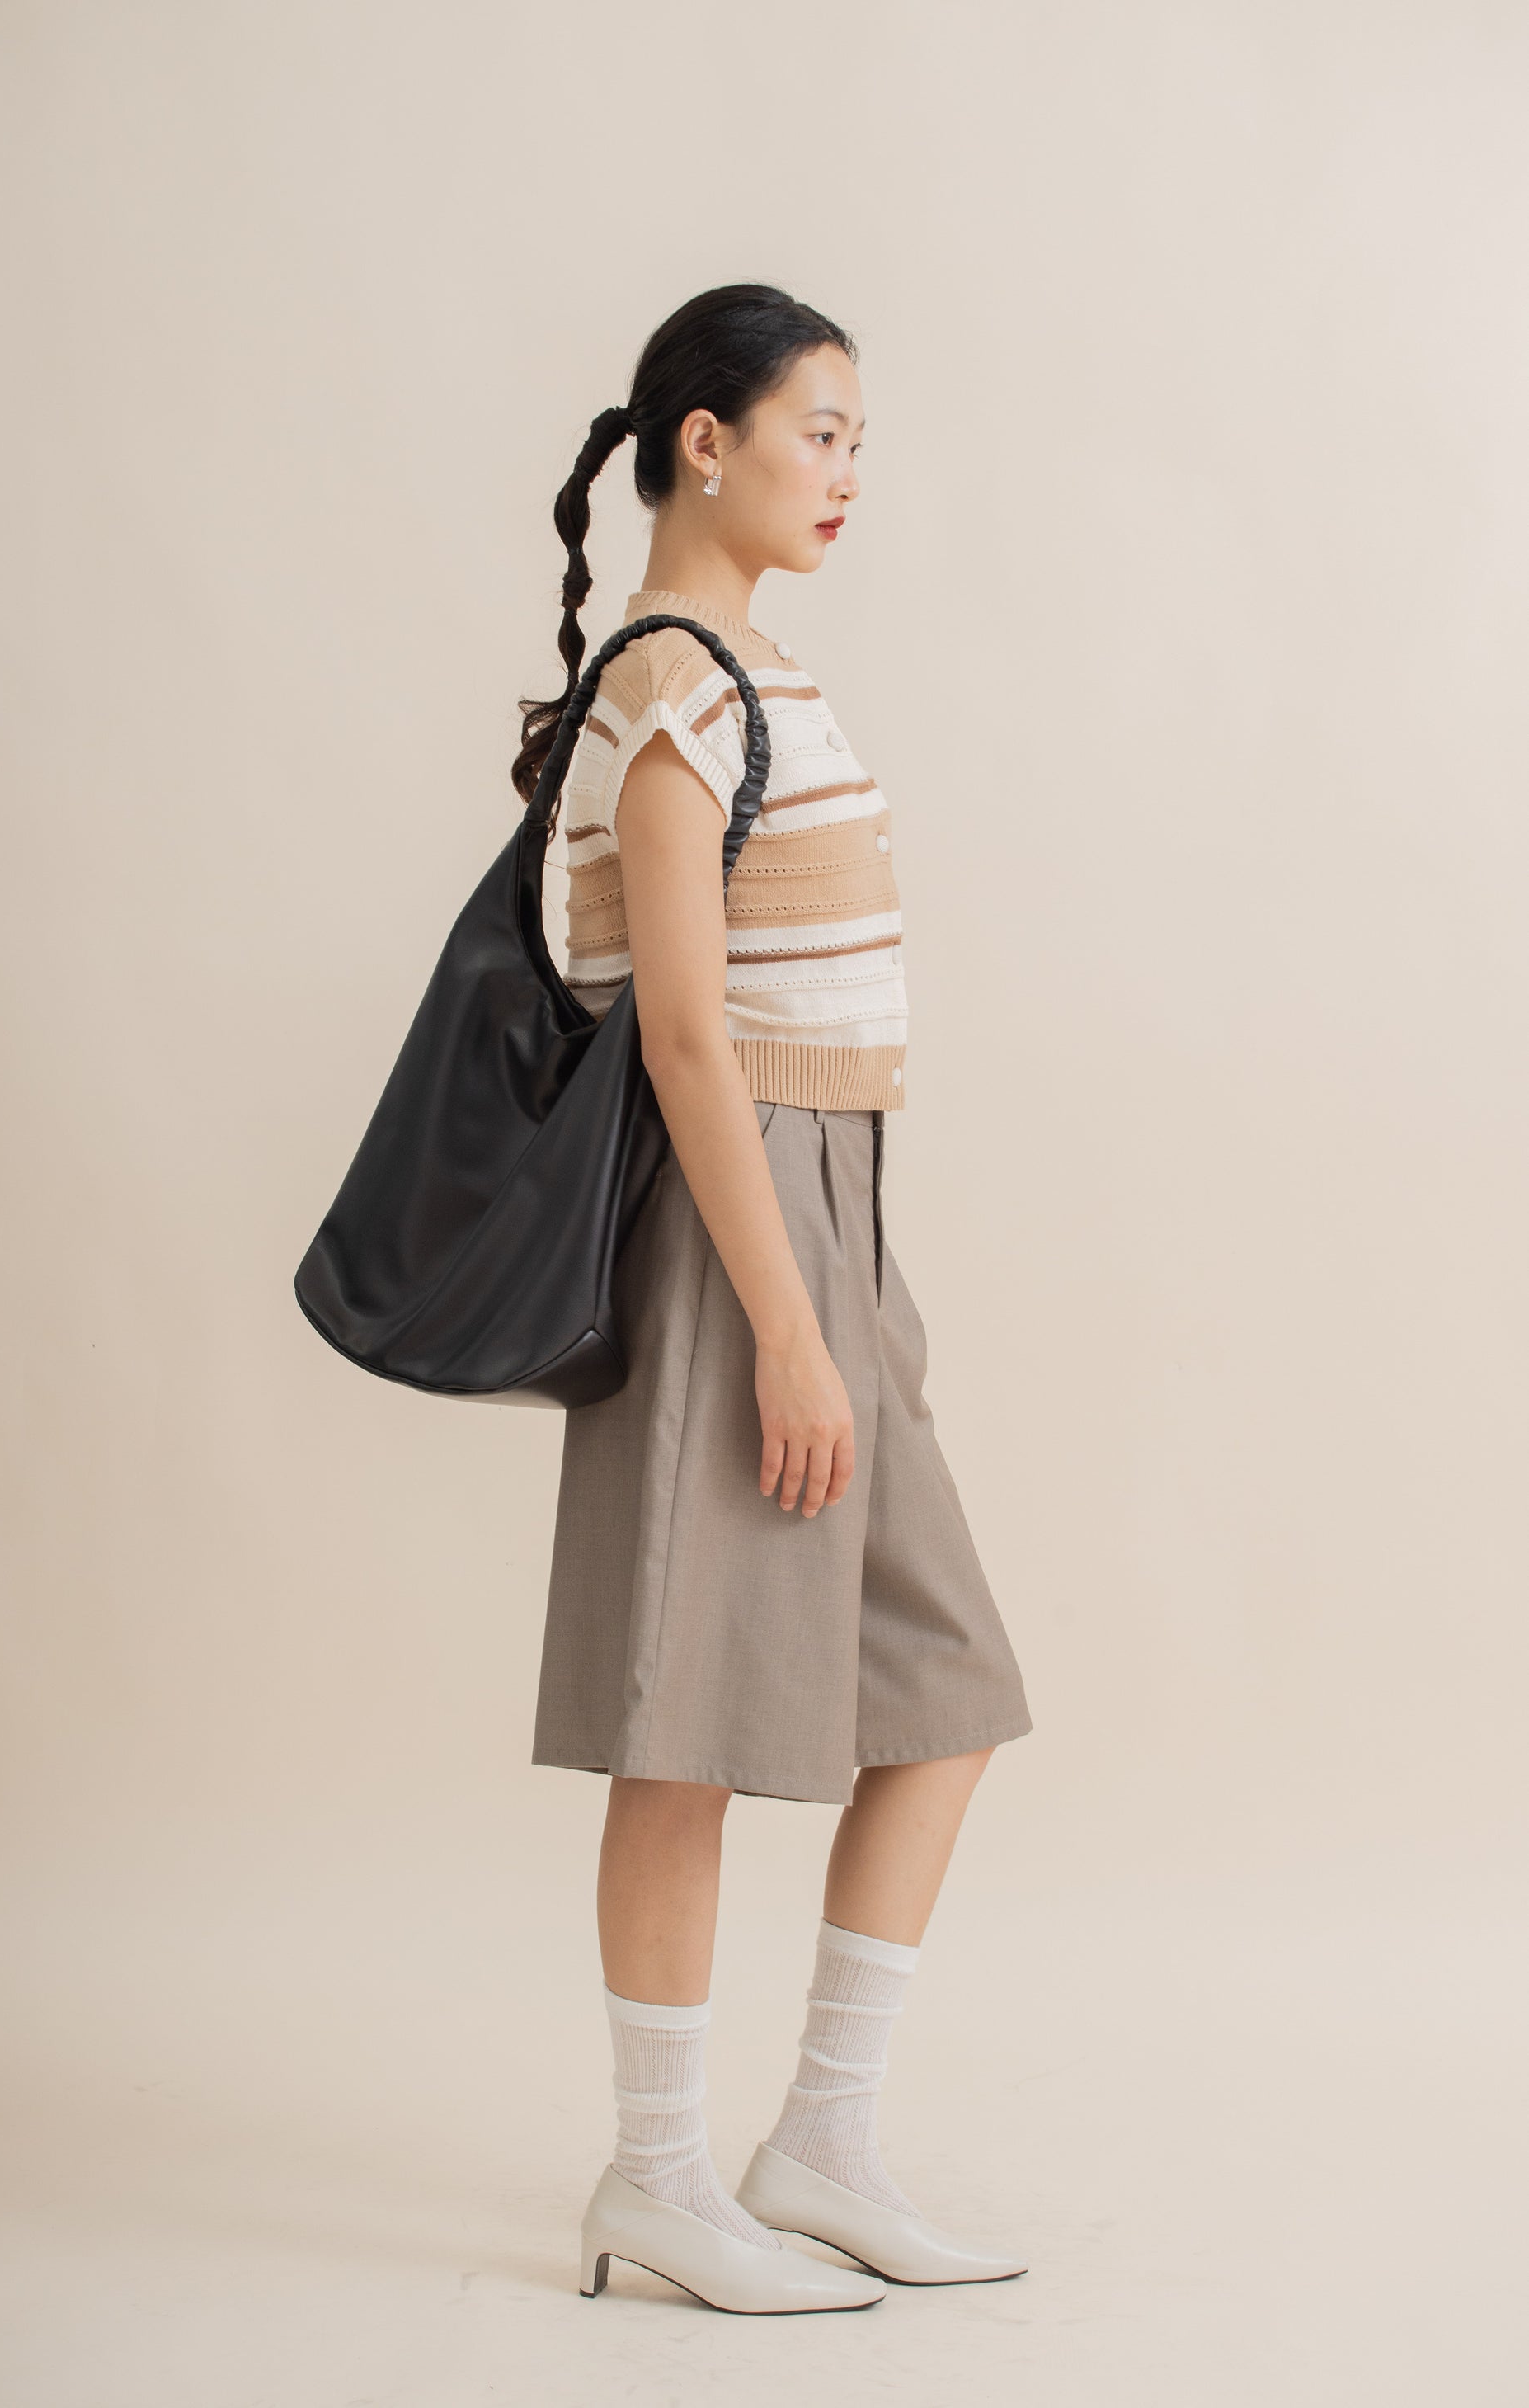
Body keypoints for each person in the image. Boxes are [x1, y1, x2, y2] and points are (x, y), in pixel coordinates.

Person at [513, 285, 1034, 2316]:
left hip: (830, 1217)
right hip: (733, 1235)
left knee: (942, 1682)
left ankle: (818, 2136)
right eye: (820, 430)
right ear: (703, 442)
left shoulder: (757, 672)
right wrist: (790, 1324)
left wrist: (849, 1298)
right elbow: (682, 1041)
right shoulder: (668, 683)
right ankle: (653, 2173)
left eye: (859, 441)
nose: (847, 473)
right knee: (690, 1720)